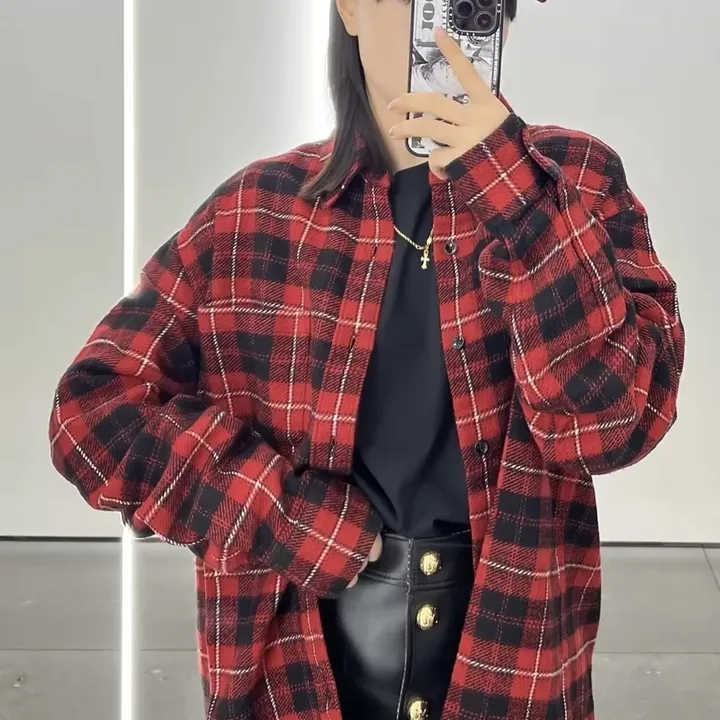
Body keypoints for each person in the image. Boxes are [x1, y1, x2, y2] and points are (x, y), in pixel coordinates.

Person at [48, 0, 684, 718]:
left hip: (514, 660)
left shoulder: (573, 183)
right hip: (299, 666)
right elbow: (91, 413)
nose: (442, 28)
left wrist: (513, 192)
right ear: (351, 6)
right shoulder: (257, 212)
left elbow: (609, 426)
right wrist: (286, 518)